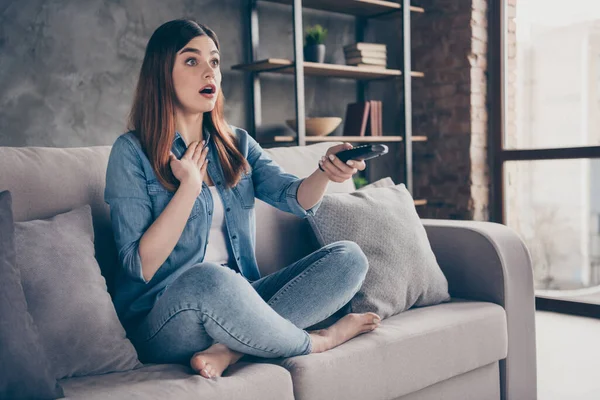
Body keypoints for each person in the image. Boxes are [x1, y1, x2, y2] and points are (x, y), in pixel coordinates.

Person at [104, 19, 380, 380]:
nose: (209, 72)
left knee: (349, 258)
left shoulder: (236, 144)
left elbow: (293, 197)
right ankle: (316, 341)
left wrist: (326, 172)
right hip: (166, 317)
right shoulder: (131, 152)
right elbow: (140, 267)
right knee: (211, 278)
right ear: (162, 75)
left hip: (241, 301)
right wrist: (188, 189)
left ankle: (231, 350)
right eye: (192, 61)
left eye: (214, 62)